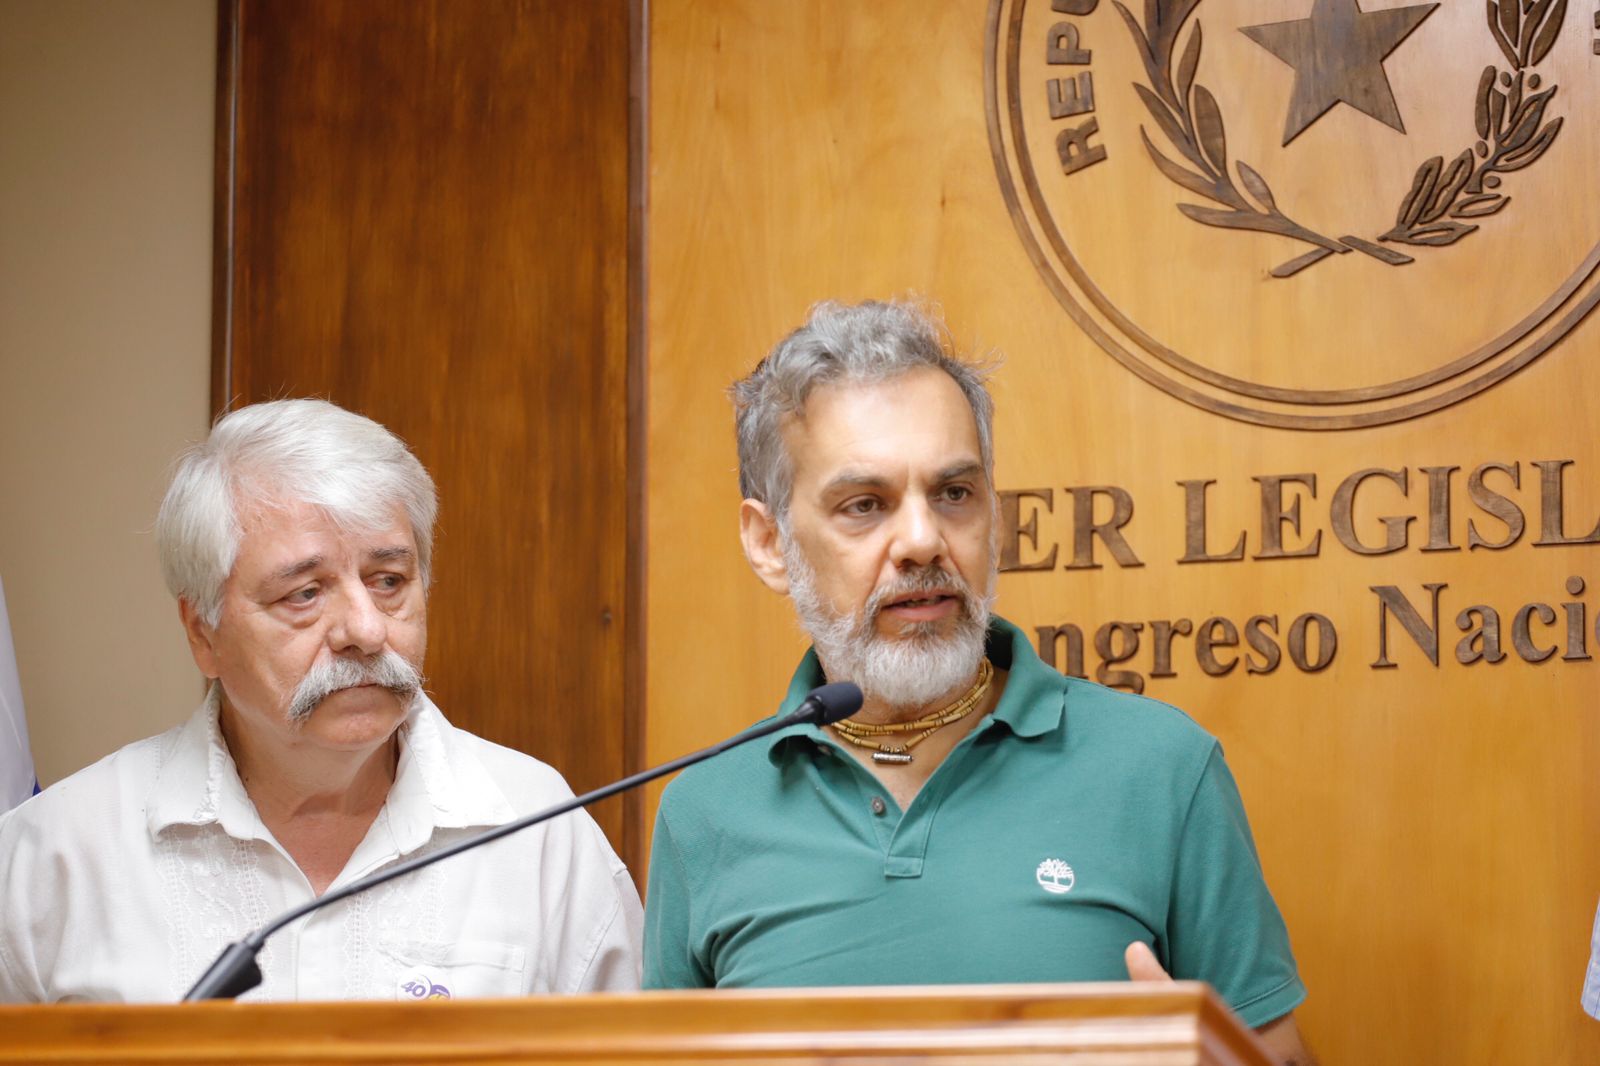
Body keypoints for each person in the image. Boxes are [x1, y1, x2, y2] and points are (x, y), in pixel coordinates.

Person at [642, 299, 1314, 1062]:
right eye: (865, 506)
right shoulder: (703, 814)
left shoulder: (1162, 770)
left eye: (955, 493)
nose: (924, 540)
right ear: (769, 543)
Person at [0, 399, 642, 1002]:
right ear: (204, 632)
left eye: (389, 582)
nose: (365, 630)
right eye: (304, 594)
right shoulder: (56, 855)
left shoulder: (536, 828)